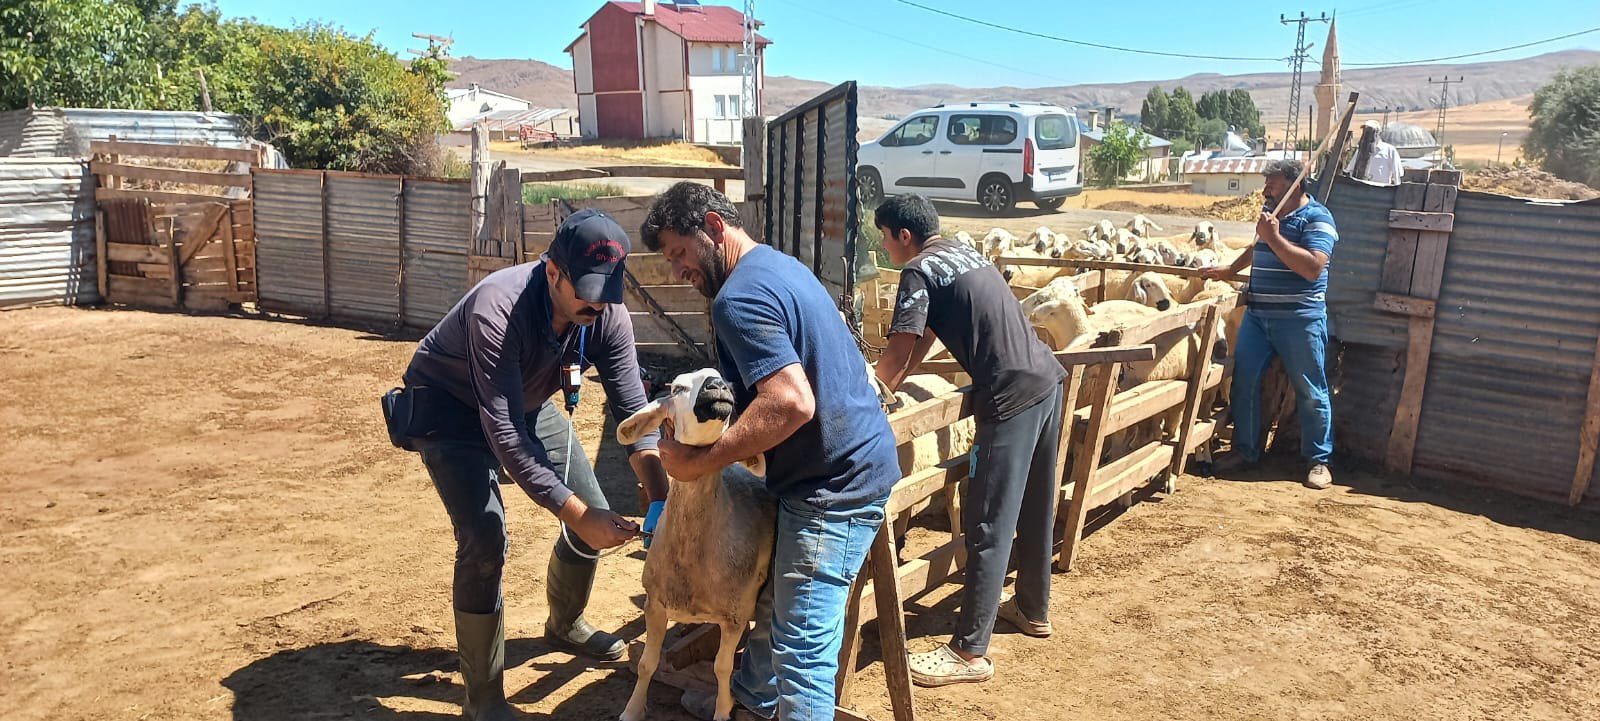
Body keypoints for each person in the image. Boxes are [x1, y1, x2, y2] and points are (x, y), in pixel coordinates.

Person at [393, 208, 670, 721]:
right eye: (583, 286)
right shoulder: (498, 308)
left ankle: (564, 624)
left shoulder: (606, 313)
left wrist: (659, 494)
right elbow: (505, 437)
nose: (595, 301)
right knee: (484, 539)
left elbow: (634, 411)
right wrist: (577, 514)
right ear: (551, 271)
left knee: (594, 512)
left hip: (525, 401)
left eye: (605, 288)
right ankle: (484, 701)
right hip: (453, 409)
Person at [640, 181, 899, 721]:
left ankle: (776, 704)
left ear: (713, 227)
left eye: (681, 254)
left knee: (802, 648)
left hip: (832, 488)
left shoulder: (738, 299)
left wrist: (700, 462)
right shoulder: (778, 267)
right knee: (771, 601)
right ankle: (751, 702)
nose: (677, 270)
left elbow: (789, 401)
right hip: (850, 463)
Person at [870, 194, 1066, 687]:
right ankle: (1031, 608)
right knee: (1036, 504)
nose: (883, 245)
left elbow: (898, 346)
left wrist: (870, 395)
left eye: (884, 235)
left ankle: (969, 651)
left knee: (987, 519)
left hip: (1008, 396)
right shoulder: (962, 252)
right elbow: (923, 336)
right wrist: (890, 387)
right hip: (1046, 379)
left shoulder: (917, 270)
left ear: (903, 236)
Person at [1201, 159, 1338, 490]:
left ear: (1295, 185)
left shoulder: (1318, 218)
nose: (1265, 191)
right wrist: (1229, 271)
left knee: (1309, 387)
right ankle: (1245, 451)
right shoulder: (1270, 213)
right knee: (1244, 382)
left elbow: (1312, 268)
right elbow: (1258, 246)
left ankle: (1319, 460)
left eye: (1272, 185)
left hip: (1299, 318)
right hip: (1259, 316)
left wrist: (1273, 236)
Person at [1346, 120, 1403, 186]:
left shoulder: (1390, 150)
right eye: (1365, 132)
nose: (1367, 136)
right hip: (1362, 189)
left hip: (1381, 190)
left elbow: (1397, 174)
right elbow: (1350, 170)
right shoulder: (1361, 150)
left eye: (1370, 132)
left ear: (1378, 133)